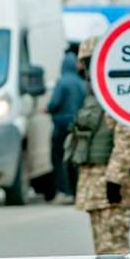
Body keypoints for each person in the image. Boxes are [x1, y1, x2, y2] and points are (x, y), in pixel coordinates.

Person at [67, 36, 130, 255]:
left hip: (111, 189)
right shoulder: (98, 95)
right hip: (95, 187)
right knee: (104, 252)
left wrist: (114, 180)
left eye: (89, 62)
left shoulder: (119, 95)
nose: (84, 69)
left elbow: (128, 139)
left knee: (115, 252)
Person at [46, 50, 86, 203]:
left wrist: (47, 109)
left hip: (61, 126)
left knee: (59, 159)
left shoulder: (62, 83)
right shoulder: (81, 83)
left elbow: (54, 103)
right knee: (75, 160)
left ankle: (64, 190)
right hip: (77, 127)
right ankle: (77, 192)